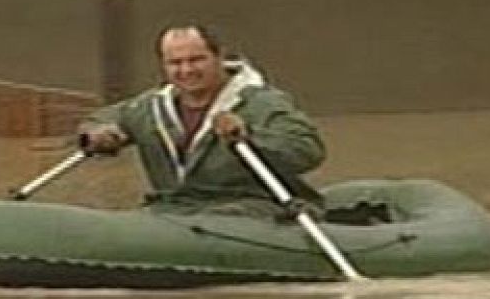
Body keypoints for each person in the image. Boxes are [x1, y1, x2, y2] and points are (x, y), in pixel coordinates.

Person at [80, 25, 326, 216]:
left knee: (221, 217)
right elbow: (106, 117)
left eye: (196, 60)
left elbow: (308, 150)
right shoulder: (149, 107)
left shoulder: (262, 103)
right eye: (175, 63)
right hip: (173, 211)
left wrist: (248, 136)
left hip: (252, 209)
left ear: (219, 57)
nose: (186, 71)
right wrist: (98, 132)